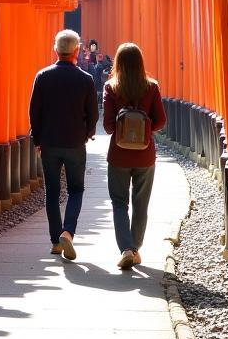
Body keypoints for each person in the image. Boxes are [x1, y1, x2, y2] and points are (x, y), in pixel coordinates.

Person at [29, 29, 99, 260]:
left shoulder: (43, 76)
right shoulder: (85, 79)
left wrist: (37, 139)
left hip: (49, 142)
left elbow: (34, 112)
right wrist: (87, 133)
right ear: (77, 51)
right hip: (74, 142)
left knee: (52, 191)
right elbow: (92, 114)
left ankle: (54, 242)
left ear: (56, 50)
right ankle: (67, 231)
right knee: (76, 189)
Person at [103, 42, 167, 270]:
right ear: (140, 62)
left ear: (117, 63)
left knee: (119, 203)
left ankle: (126, 249)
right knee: (141, 204)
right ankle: (136, 249)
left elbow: (109, 126)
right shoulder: (151, 87)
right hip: (145, 155)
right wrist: (144, 130)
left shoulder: (112, 88)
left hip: (119, 155)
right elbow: (161, 120)